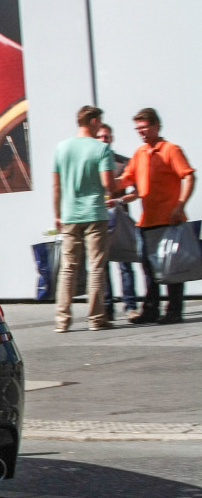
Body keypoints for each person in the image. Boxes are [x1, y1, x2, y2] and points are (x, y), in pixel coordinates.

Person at [117, 108, 195, 325]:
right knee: (149, 270)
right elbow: (125, 181)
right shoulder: (140, 153)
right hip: (147, 222)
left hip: (169, 220)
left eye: (145, 128)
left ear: (156, 126)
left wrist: (179, 206)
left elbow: (189, 177)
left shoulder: (171, 150)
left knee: (173, 268)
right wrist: (107, 183)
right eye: (138, 129)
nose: (141, 132)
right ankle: (151, 309)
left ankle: (174, 311)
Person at [51, 106, 117, 332]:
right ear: (94, 121)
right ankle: (96, 319)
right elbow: (108, 184)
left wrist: (57, 213)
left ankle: (62, 320)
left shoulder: (61, 148)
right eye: (99, 123)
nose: (100, 127)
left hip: (69, 214)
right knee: (96, 267)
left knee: (68, 268)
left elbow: (56, 185)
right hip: (95, 213)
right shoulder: (101, 149)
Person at [97, 122, 137, 316]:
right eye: (100, 137)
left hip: (121, 219)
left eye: (107, 136)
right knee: (102, 266)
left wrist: (120, 200)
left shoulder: (123, 163)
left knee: (125, 263)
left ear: (111, 138)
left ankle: (130, 306)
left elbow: (138, 191)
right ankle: (107, 308)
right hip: (100, 220)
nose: (104, 140)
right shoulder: (91, 164)